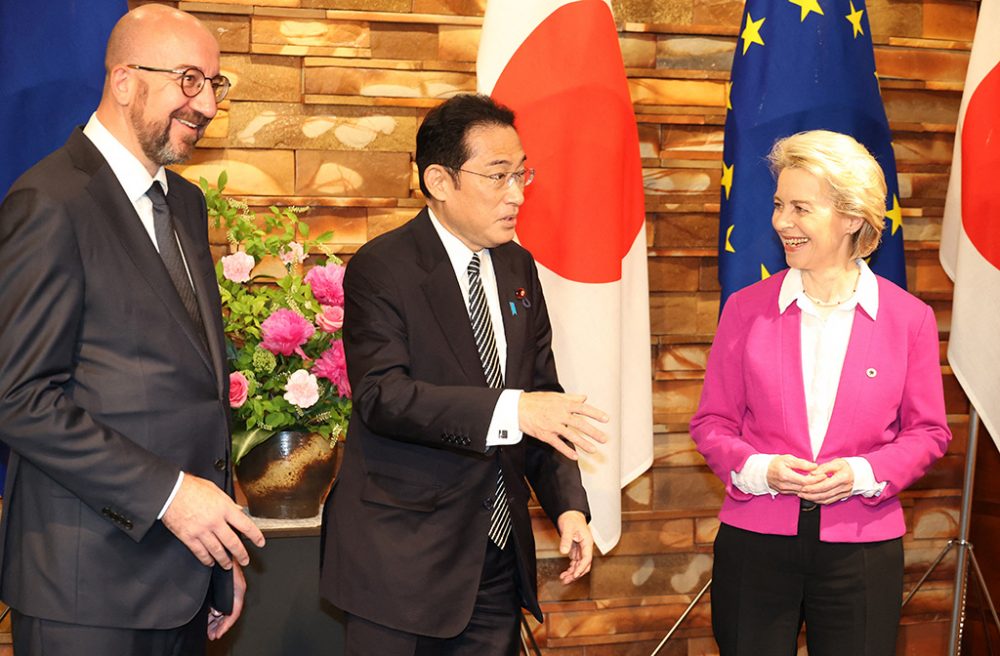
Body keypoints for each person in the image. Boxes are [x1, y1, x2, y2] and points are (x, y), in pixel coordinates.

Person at [0, 5, 266, 655]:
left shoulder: (185, 203)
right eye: (188, 79)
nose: (205, 103)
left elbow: (197, 390)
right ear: (123, 81)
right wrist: (172, 496)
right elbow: (18, 398)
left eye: (213, 83)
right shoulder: (50, 201)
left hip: (183, 580)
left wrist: (218, 549)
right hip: (85, 591)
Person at [320, 93, 609, 655]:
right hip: (402, 565)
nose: (517, 194)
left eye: (522, 174)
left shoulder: (517, 265)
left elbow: (542, 396)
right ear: (439, 180)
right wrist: (513, 410)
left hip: (496, 560)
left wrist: (568, 503)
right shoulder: (384, 268)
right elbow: (384, 396)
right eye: (498, 176)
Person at [690, 130, 951, 655]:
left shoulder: (910, 320)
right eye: (779, 205)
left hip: (861, 551)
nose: (782, 222)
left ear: (852, 217)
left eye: (801, 208)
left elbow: (928, 432)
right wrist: (762, 470)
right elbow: (711, 423)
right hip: (754, 542)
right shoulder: (745, 309)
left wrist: (861, 473)